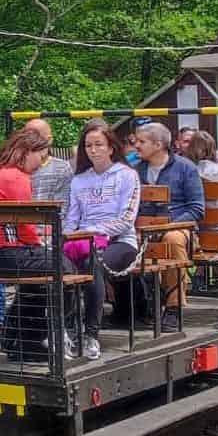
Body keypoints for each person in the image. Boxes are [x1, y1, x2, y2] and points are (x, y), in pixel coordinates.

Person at [0, 127, 56, 359]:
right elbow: (25, 225)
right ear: (28, 152)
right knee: (62, 266)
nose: (41, 162)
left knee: (37, 275)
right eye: (41, 156)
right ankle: (38, 339)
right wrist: (39, 248)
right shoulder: (17, 177)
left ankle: (13, 337)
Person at [62, 119, 140, 361]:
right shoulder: (78, 180)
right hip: (82, 241)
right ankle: (68, 330)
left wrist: (96, 231)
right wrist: (65, 237)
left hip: (119, 242)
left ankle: (91, 335)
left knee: (92, 264)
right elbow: (71, 219)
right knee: (60, 265)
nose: (93, 150)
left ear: (111, 147)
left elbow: (127, 219)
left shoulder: (127, 175)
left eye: (98, 144)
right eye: (88, 145)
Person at [132, 122, 205, 331]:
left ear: (158, 144)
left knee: (171, 239)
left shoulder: (185, 168)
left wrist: (168, 225)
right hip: (143, 229)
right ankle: (135, 307)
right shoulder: (136, 171)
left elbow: (196, 209)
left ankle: (174, 307)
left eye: (141, 141)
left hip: (180, 228)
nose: (136, 145)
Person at [26, 117, 74, 211]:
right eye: (29, 137)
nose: (34, 142)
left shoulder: (62, 169)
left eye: (39, 137)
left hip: (50, 223)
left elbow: (63, 209)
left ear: (49, 140)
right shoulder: (16, 168)